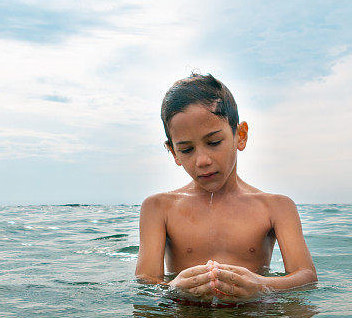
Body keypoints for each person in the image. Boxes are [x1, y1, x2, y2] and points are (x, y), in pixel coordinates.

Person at [135, 73, 317, 302]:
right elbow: (144, 281)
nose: (202, 160)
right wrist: (173, 288)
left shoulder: (276, 207)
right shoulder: (158, 208)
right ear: (173, 152)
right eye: (187, 149)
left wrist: (262, 285)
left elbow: (307, 276)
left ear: (240, 136)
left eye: (213, 143)